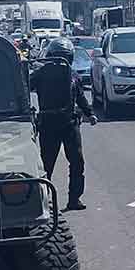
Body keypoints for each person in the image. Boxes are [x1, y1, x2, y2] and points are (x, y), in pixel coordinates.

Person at [30, 38, 97, 211]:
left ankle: (74, 199)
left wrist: (90, 113)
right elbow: (24, 89)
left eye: (65, 57)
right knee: (46, 166)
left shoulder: (72, 75)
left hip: (69, 124)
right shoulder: (40, 73)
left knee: (77, 163)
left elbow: (80, 97)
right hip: (49, 124)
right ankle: (44, 202)